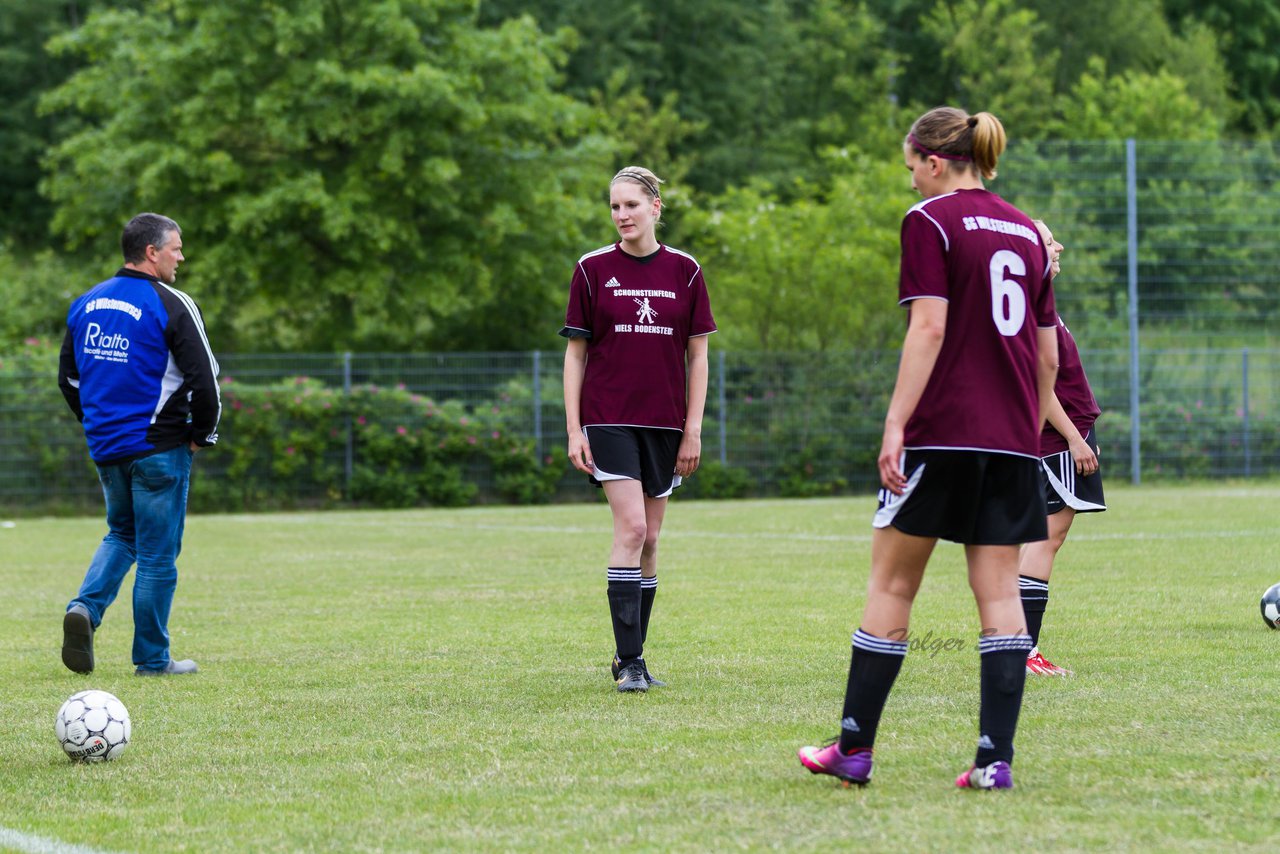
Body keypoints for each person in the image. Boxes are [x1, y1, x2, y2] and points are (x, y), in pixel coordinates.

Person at [797, 107, 1058, 790]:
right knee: (1001, 593)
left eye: (911, 165)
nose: (910, 178)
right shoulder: (1029, 231)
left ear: (934, 161)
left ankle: (853, 750)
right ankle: (994, 761)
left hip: (940, 433)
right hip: (1011, 439)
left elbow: (930, 328)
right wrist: (1024, 426)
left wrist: (895, 424)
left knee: (891, 583)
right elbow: (1048, 356)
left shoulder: (929, 221)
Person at [561, 166, 716, 693]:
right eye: (614, 207)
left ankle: (634, 655)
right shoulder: (591, 270)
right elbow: (575, 353)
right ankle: (630, 663)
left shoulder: (686, 272)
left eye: (631, 205)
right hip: (607, 417)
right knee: (630, 531)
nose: (621, 215)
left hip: (666, 422)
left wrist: (692, 429)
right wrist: (573, 428)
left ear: (655, 206)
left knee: (651, 542)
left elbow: (699, 355)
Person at [57, 212, 221, 677]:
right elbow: (205, 380)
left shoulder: (86, 303)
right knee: (156, 553)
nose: (181, 256)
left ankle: (85, 610)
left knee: (122, 534)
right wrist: (201, 436)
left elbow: (69, 379)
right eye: (176, 247)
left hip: (108, 448)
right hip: (159, 449)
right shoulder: (171, 303)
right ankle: (152, 660)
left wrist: (96, 425)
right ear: (152, 253)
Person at [1020, 219, 1106, 677]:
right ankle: (1024, 651)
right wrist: (1073, 438)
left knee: (1043, 538)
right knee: (1046, 539)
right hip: (1058, 441)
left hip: (1061, 437)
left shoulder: (1041, 302)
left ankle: (1014, 646)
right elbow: (1039, 382)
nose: (1061, 247)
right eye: (1052, 242)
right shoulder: (1035, 308)